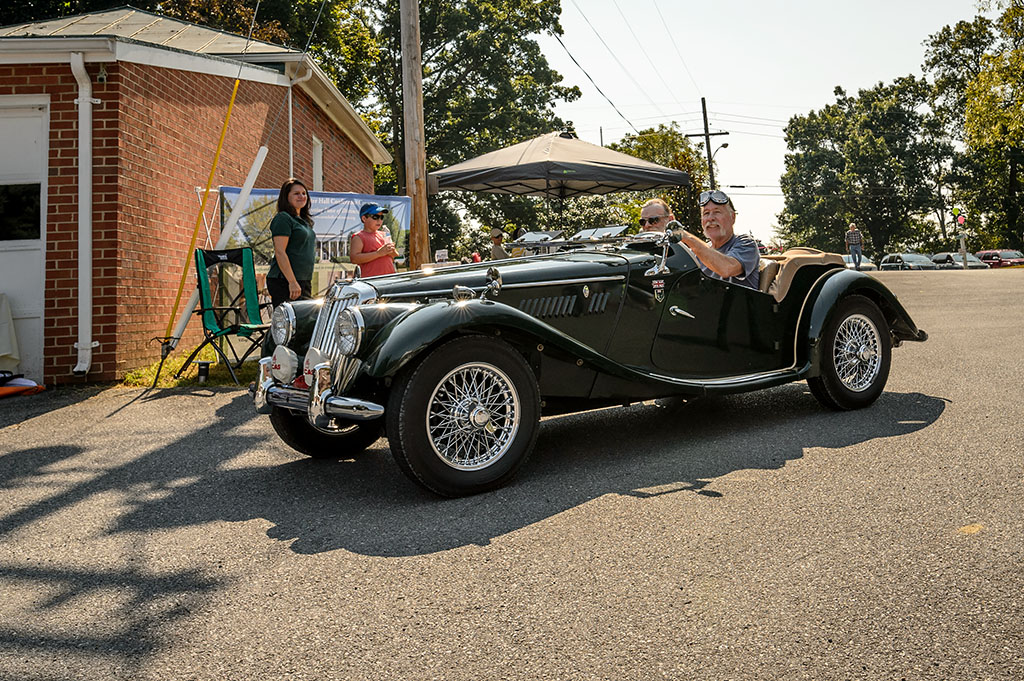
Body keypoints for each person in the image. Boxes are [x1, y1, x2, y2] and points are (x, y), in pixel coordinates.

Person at [676, 190, 760, 290]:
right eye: (706, 213)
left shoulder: (746, 243)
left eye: (717, 212)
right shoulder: (695, 255)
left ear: (732, 217)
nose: (710, 218)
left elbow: (727, 268)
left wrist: (686, 237)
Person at [266, 178, 316, 308]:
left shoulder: (303, 221)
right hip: (285, 282)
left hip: (303, 280)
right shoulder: (283, 218)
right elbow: (280, 252)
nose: (301, 196)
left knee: (304, 323)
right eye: (296, 193)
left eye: (304, 193)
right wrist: (292, 282)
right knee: (288, 324)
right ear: (286, 197)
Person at [350, 203, 397, 277]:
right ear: (364, 218)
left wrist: (391, 250)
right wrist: (378, 253)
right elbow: (354, 259)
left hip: (390, 279)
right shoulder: (358, 236)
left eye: (381, 217)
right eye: (375, 217)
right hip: (371, 282)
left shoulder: (384, 234)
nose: (379, 220)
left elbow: (395, 255)